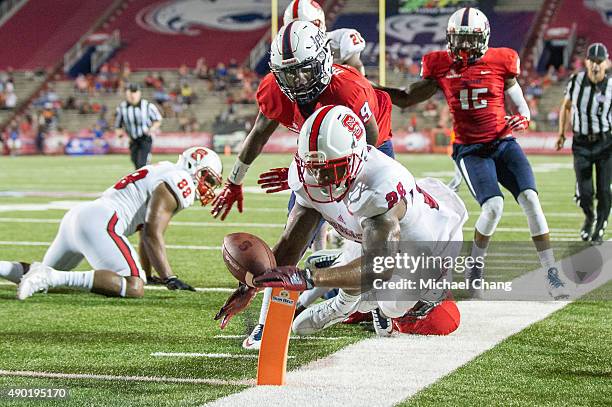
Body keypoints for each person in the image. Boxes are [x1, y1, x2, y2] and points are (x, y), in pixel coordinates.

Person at [210, 21, 394, 349]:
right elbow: (259, 133)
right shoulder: (275, 89)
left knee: (370, 243)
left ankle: (380, 304)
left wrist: (324, 173)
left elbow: (369, 144)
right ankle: (269, 325)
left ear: (322, 60)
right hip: (318, 161)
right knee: (291, 241)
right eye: (288, 75)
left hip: (367, 155)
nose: (296, 82)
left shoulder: (349, 89)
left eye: (304, 72)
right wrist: (238, 180)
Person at [215, 105, 465, 337]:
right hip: (369, 233)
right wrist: (250, 285)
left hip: (428, 248)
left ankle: (371, 295)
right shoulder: (310, 174)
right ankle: (343, 303)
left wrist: (310, 278)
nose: (320, 177)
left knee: (396, 309)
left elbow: (379, 267)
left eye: (331, 168)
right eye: (312, 167)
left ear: (357, 159)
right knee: (360, 248)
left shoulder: (379, 185)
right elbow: (291, 243)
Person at [376, 7, 569, 299]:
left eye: (470, 39)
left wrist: (525, 115)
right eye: (459, 39)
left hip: (503, 143)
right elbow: (406, 98)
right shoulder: (440, 65)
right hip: (470, 149)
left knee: (531, 199)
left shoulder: (502, 60)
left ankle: (551, 273)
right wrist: (371, 88)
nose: (464, 46)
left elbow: (514, 91)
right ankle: (475, 266)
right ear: (450, 38)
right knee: (493, 208)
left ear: (484, 38)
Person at [0, 147, 222, 299]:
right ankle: (52, 276)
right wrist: (169, 277)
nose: (209, 186)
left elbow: (147, 230)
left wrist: (148, 272)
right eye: (208, 178)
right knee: (134, 286)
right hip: (102, 221)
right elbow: (152, 233)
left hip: (80, 217)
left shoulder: (165, 169)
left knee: (38, 276)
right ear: (193, 167)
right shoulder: (180, 180)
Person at [556, 43, 611, 243]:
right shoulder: (576, 81)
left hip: (606, 143)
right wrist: (561, 133)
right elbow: (566, 106)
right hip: (581, 144)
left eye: (599, 62)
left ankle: (600, 226)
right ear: (586, 61)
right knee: (586, 193)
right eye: (592, 61)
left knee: (605, 190)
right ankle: (590, 217)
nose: (595, 66)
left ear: (606, 63)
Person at [283, 0, 366, 74]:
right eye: (293, 29)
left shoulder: (341, 40)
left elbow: (357, 73)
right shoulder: (283, 50)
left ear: (318, 24)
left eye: (303, 28)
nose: (298, 34)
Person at [114, 83, 162, 169]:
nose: (132, 95)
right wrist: (121, 137)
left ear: (139, 93)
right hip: (132, 140)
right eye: (130, 92)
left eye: (135, 92)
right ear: (127, 94)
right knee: (136, 163)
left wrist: (152, 129)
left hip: (145, 138)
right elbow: (118, 125)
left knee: (141, 164)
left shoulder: (147, 106)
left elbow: (158, 119)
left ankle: (148, 177)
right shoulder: (122, 107)